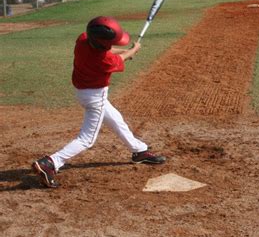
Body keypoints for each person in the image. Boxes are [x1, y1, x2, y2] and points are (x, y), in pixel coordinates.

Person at [32, 16, 166, 188]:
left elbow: (108, 50)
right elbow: (115, 57)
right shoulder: (105, 60)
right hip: (96, 98)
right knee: (87, 139)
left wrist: (127, 51)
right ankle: (51, 163)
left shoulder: (82, 40)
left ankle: (139, 150)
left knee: (116, 119)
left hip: (82, 93)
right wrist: (133, 50)